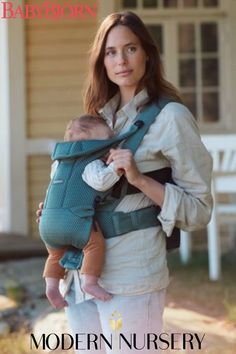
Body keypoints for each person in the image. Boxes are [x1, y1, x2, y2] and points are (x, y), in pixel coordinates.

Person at [36, 11, 213, 354]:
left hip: (133, 276)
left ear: (147, 52)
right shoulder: (97, 117)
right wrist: (60, 208)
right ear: (101, 61)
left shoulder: (171, 117)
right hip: (81, 274)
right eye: (111, 52)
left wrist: (138, 179)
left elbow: (199, 210)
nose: (121, 60)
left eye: (130, 49)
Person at [40, 114, 124, 308]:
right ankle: (90, 282)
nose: (109, 146)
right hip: (74, 221)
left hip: (48, 222)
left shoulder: (59, 163)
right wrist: (114, 169)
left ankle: (51, 286)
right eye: (106, 141)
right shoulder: (91, 161)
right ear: (89, 143)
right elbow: (100, 182)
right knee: (94, 246)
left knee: (55, 255)